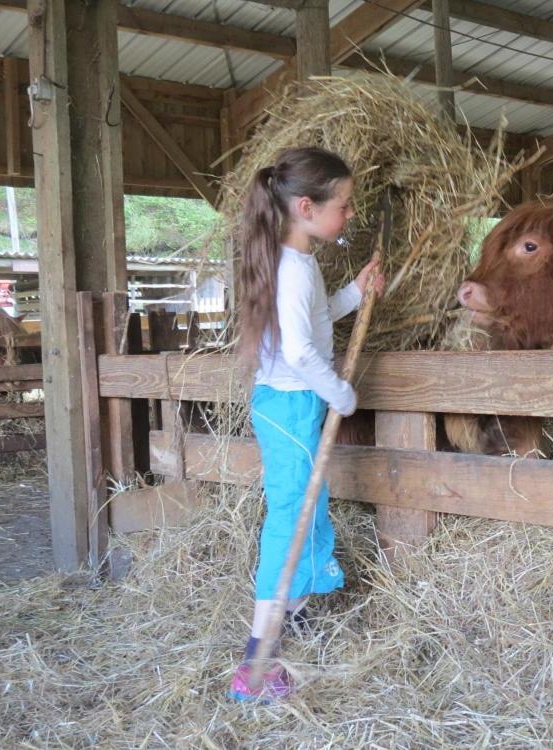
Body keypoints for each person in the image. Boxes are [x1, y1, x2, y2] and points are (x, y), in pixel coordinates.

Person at [229, 146, 385, 702]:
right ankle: (256, 660)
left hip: (292, 403)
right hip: (293, 403)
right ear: (305, 206)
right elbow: (300, 352)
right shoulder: (291, 268)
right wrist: (340, 393)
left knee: (304, 509)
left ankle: (286, 619)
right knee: (291, 518)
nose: (348, 215)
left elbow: (315, 323)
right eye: (342, 204)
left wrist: (355, 293)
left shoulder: (297, 261)